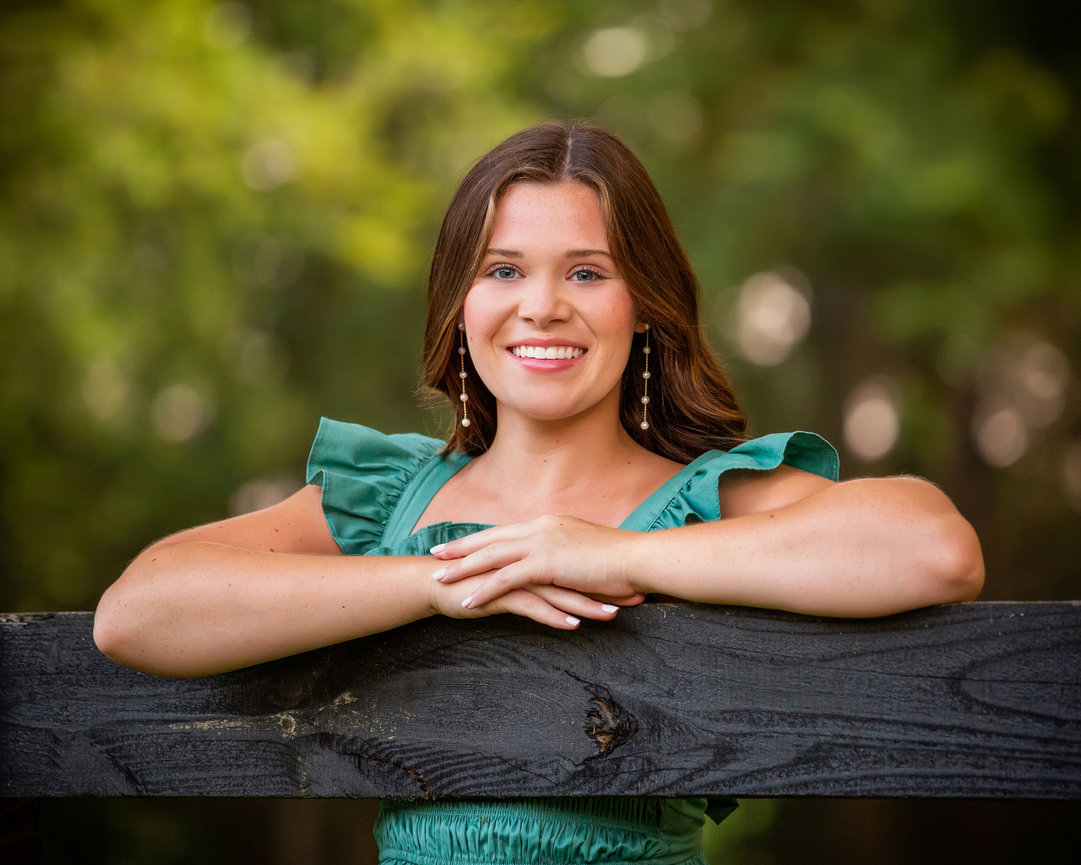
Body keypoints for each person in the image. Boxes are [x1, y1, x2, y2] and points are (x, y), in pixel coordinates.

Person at [94, 121, 984, 864]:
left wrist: (610, 551)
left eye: (587, 272)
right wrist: (440, 580)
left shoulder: (701, 497)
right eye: (503, 269)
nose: (543, 306)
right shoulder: (392, 502)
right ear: (460, 301)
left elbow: (930, 548)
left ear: (645, 305)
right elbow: (136, 613)